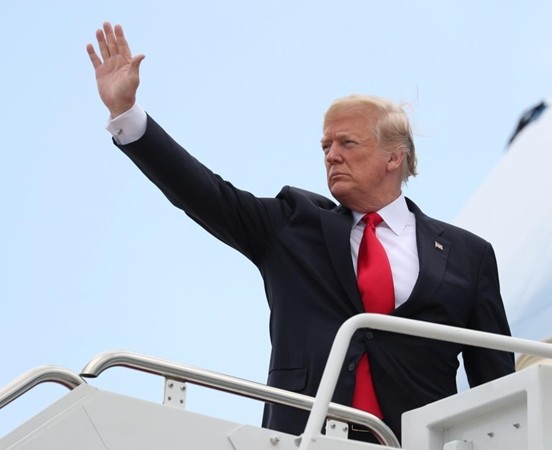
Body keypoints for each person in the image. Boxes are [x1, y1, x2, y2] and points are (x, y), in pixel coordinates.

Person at [86, 22, 515, 442]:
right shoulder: (292, 225)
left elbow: (496, 386)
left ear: (393, 158)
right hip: (306, 439)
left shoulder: (467, 256)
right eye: (325, 146)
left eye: (347, 144)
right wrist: (128, 116)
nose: (332, 156)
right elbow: (203, 193)